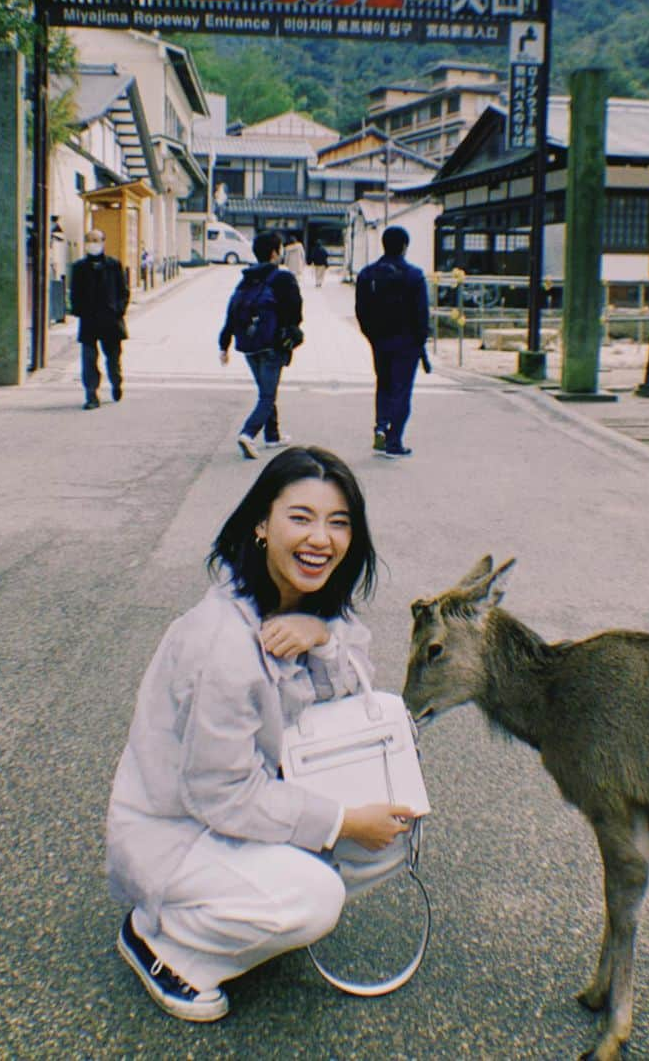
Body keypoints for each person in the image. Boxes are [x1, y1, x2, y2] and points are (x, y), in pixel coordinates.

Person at [106, 446, 415, 1023]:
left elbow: (349, 694)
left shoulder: (306, 606)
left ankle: (249, 910)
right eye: (300, 517)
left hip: (252, 806)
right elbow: (218, 796)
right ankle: (164, 942)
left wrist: (321, 635)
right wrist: (342, 823)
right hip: (181, 832)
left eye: (338, 522)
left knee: (395, 829)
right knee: (317, 897)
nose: (321, 538)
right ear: (260, 525)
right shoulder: (221, 644)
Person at [219, 230, 303, 458]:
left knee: (266, 391)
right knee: (267, 396)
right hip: (272, 345)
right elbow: (295, 312)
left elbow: (232, 311)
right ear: (275, 253)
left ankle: (272, 435)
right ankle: (247, 434)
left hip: (248, 346)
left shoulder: (246, 278)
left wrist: (223, 344)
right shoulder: (282, 278)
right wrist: (290, 333)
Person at [354, 225, 429, 459]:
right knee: (401, 390)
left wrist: (371, 336)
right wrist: (420, 341)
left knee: (384, 385)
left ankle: (380, 426)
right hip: (406, 342)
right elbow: (421, 314)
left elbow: (360, 310)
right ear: (405, 246)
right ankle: (394, 441)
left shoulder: (367, 274)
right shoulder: (414, 275)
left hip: (380, 340)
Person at [69, 228, 129, 410]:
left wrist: (118, 310)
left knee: (113, 359)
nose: (93, 243)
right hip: (89, 321)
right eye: (89, 240)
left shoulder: (113, 265)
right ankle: (91, 395)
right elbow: (74, 293)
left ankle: (116, 382)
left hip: (110, 320)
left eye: (96, 240)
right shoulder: (79, 267)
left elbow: (123, 292)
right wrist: (79, 310)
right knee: (88, 360)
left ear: (103, 242)